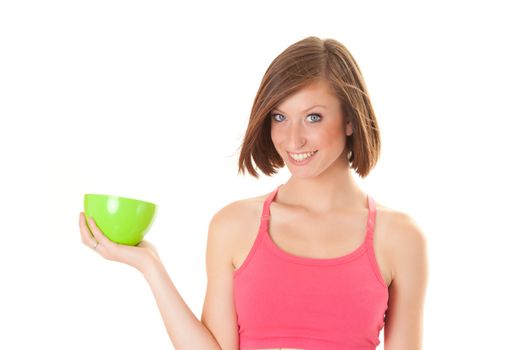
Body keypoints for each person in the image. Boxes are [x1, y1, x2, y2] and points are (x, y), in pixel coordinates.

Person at [79, 36, 428, 350]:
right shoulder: (234, 225)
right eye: (279, 117)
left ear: (350, 120)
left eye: (313, 117)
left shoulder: (399, 238)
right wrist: (149, 264)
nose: (293, 140)